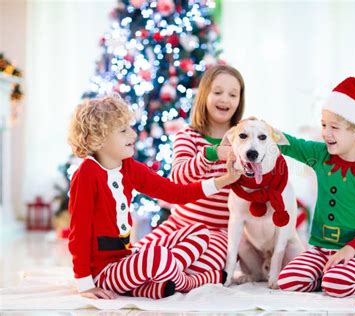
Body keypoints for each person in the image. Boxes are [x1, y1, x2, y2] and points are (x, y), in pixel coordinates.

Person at [67, 95, 241, 299]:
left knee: (200, 232)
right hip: (103, 273)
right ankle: (189, 282)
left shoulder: (129, 167)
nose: (133, 135)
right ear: (97, 140)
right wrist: (85, 284)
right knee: (157, 257)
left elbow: (176, 193)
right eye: (123, 131)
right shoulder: (87, 173)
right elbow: (79, 232)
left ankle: (149, 287)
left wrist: (225, 179)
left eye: (130, 127)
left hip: (126, 259)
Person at [277, 77, 355, 297]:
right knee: (288, 280)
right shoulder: (321, 155)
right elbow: (293, 145)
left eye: (334, 127)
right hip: (320, 250)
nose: (326, 133)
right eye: (324, 125)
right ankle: (326, 275)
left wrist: (352, 248)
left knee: (337, 285)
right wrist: (264, 132)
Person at [135, 64, 245, 275]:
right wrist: (212, 153)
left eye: (233, 94)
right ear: (204, 95)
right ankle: (154, 281)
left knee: (193, 269)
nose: (225, 99)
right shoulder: (188, 135)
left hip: (219, 233)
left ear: (240, 100)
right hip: (179, 224)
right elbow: (179, 175)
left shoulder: (243, 139)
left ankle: (170, 280)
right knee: (137, 257)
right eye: (217, 92)